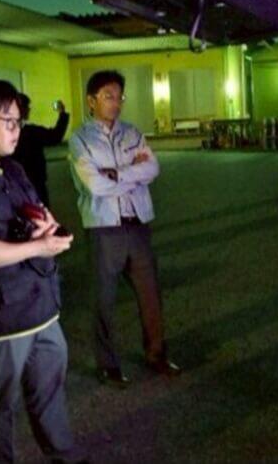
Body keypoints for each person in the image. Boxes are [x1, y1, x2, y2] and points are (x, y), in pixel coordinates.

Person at [68, 70, 180, 387]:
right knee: (103, 300)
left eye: (119, 97)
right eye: (108, 96)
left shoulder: (132, 132)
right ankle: (108, 365)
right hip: (105, 228)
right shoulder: (80, 140)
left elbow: (153, 168)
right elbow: (93, 185)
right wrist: (132, 172)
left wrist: (116, 174)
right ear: (91, 101)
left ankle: (156, 355)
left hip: (138, 224)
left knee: (150, 295)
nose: (116, 103)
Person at [0, 80, 84, 463]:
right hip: (3, 319)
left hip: (42, 306)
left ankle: (65, 455)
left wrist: (49, 228)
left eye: (19, 121)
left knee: (50, 392)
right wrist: (36, 247)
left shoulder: (13, 169)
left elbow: (36, 210)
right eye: (8, 121)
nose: (17, 129)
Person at [12, 94, 70, 206]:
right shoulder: (31, 132)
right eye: (27, 107)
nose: (29, 109)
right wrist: (62, 113)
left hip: (17, 185)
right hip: (35, 183)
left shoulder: (7, 135)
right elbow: (55, 136)